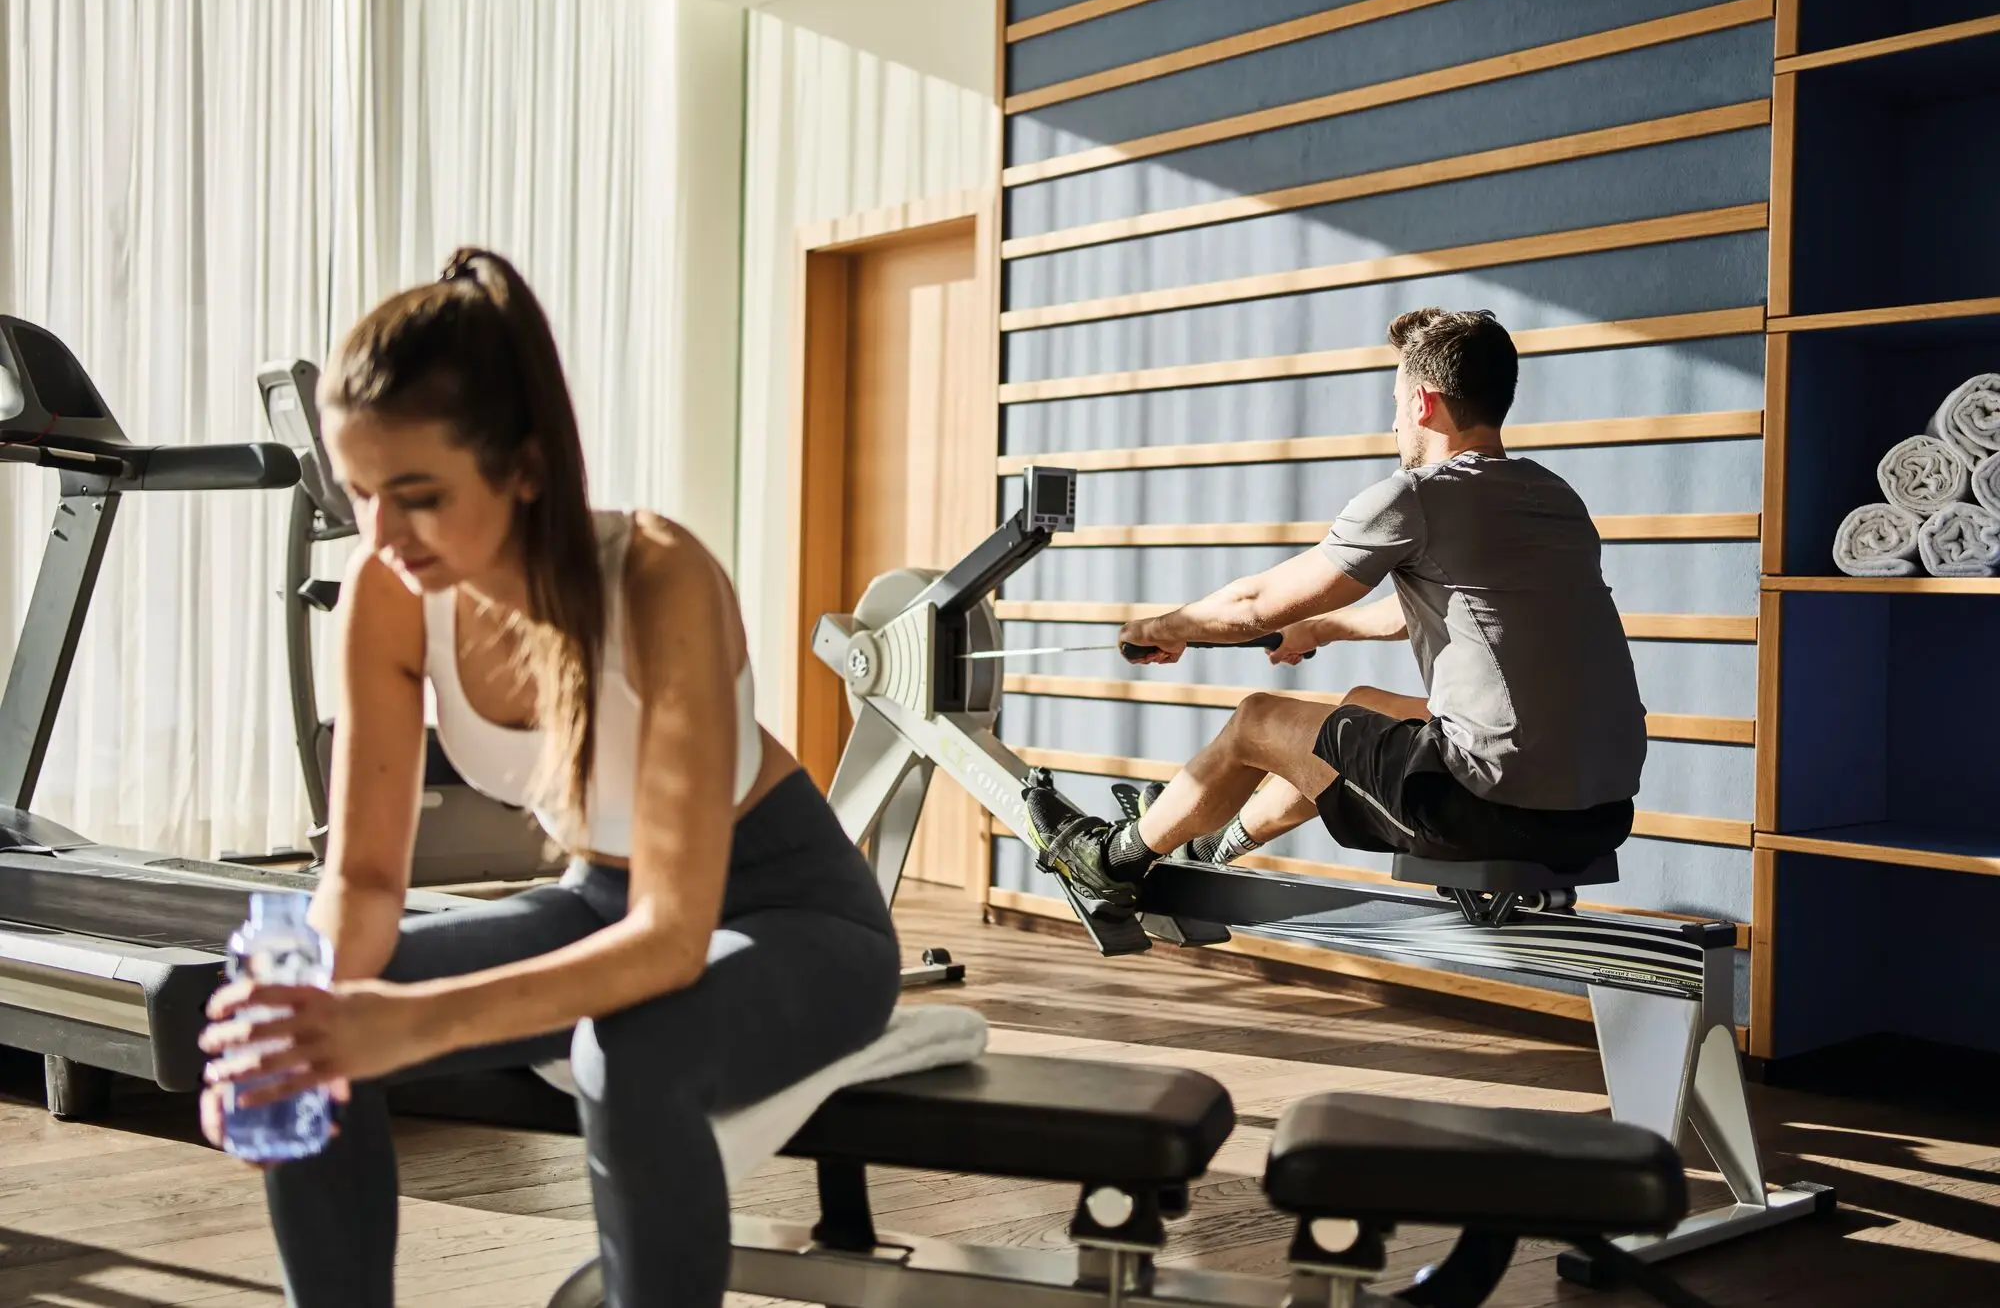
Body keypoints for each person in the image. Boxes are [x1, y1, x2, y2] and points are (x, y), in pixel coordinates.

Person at [197, 248, 901, 1308]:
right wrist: (321, 1013)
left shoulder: (661, 577)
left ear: (522, 467)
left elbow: (670, 936)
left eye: (418, 495)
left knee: (629, 1051)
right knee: (285, 1011)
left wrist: (400, 1023)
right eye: (360, 493)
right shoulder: (386, 595)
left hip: (799, 917)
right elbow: (367, 884)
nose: (381, 535)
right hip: (596, 901)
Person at [1030, 308, 1648, 908]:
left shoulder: (1417, 497)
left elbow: (1254, 606)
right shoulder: (1552, 496)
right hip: (1602, 812)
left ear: (1422, 402)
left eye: (1396, 402)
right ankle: (1215, 841)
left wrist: (1163, 628)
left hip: (1491, 810)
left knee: (1256, 720)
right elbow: (1444, 610)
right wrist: (1321, 626)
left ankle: (1112, 860)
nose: (1396, 424)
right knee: (1360, 710)